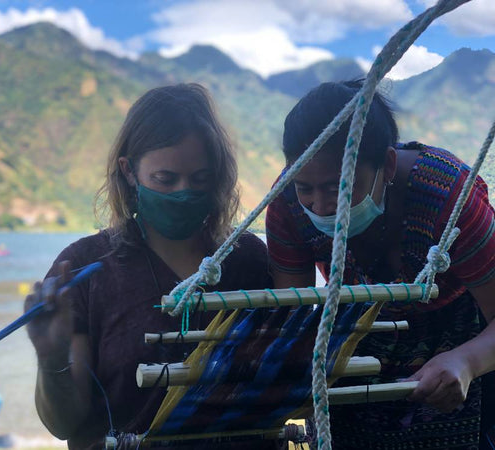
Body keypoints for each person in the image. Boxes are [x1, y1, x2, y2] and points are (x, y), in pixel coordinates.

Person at [25, 83, 272, 449]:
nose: (183, 192)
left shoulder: (247, 259)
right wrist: (51, 358)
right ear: (129, 172)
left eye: (200, 179)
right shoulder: (84, 268)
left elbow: (278, 382)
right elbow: (63, 425)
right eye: (165, 179)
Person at [265, 80, 495, 449]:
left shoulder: (452, 198)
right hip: (354, 339)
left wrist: (466, 362)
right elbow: (293, 315)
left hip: (459, 343)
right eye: (305, 188)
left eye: (340, 188)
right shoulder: (286, 204)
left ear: (387, 166)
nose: (322, 206)